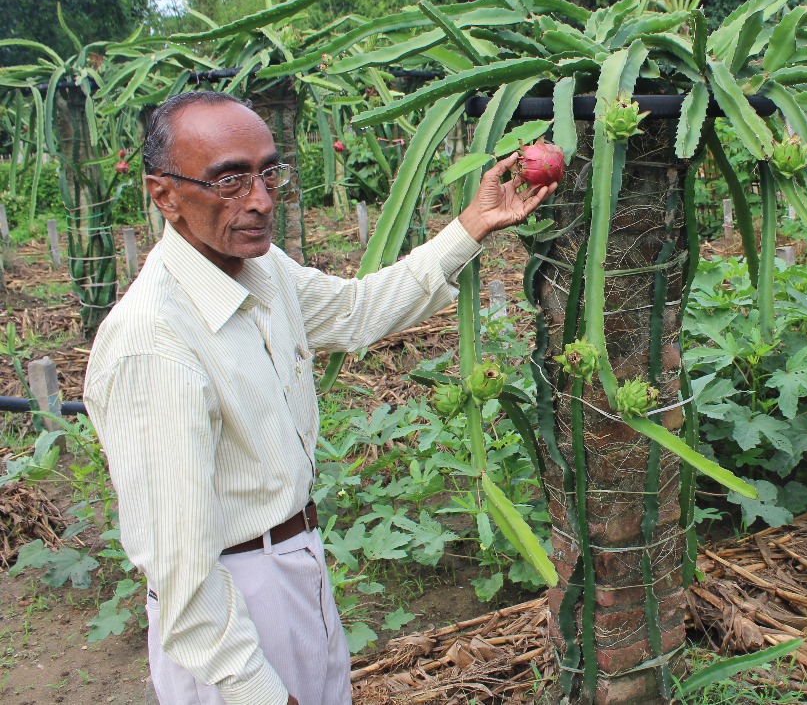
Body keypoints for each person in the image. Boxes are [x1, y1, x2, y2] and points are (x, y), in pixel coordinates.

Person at [83, 90, 555, 705]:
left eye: (267, 172)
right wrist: (257, 691)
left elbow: (357, 312)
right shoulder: (154, 346)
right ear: (164, 194)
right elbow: (181, 573)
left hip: (295, 563)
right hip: (232, 607)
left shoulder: (261, 270)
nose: (260, 199)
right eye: (229, 180)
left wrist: (472, 226)